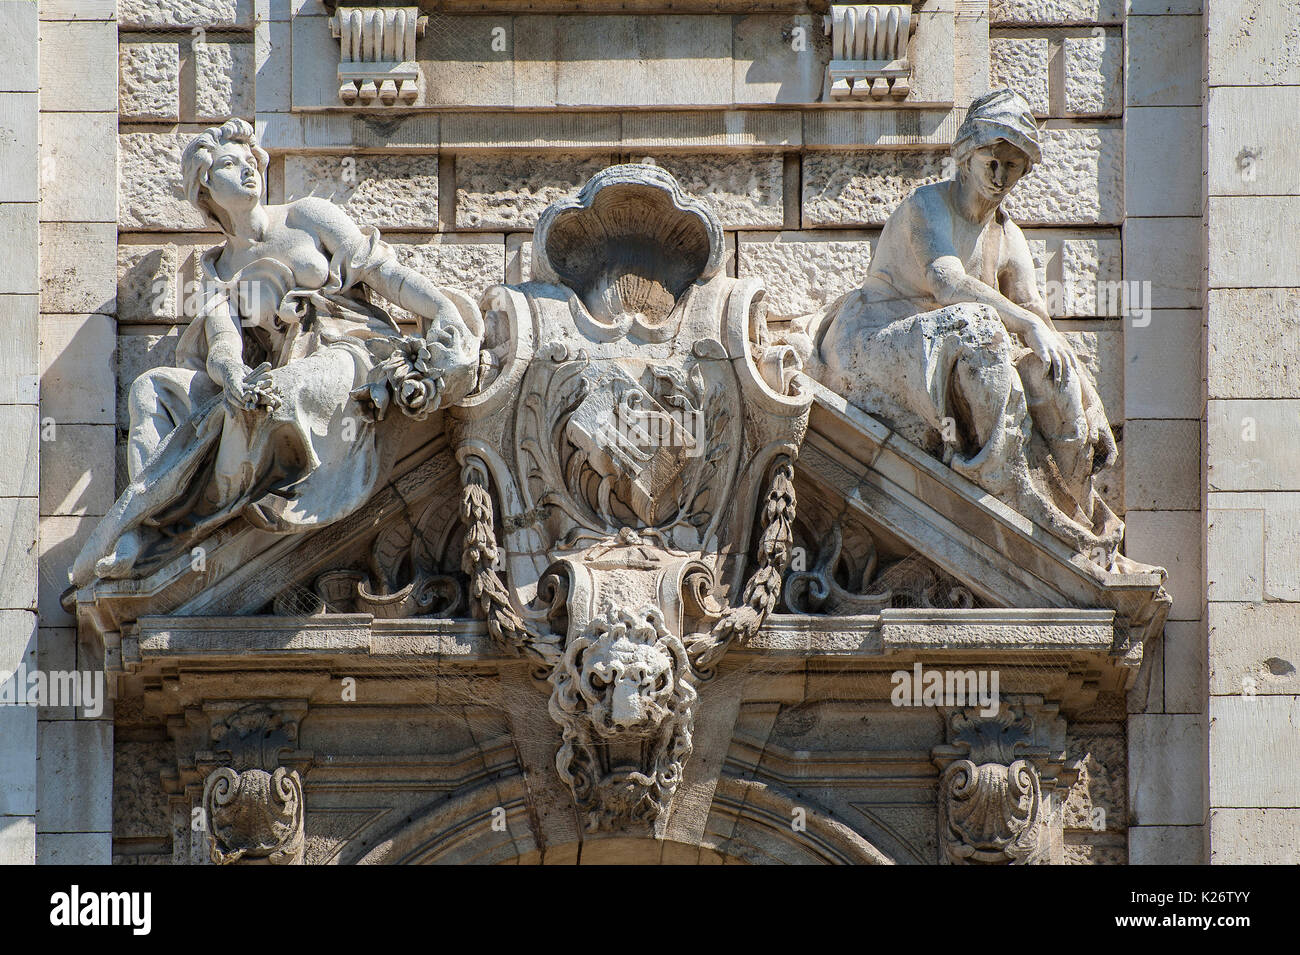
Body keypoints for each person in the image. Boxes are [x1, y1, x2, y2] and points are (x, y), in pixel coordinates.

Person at [70, 119, 480, 587]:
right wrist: (233, 378)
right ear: (204, 184)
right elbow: (223, 343)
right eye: (230, 163)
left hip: (346, 349)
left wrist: (445, 309)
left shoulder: (307, 215)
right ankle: (143, 528)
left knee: (277, 396)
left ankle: (175, 527)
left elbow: (384, 272)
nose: (247, 170)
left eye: (251, 161)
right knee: (151, 390)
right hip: (273, 368)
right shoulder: (217, 269)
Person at [791, 89, 1123, 562]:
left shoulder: (1008, 236)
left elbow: (1036, 317)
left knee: (1049, 368)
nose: (998, 173)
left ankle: (1078, 511)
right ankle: (1000, 483)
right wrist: (1027, 323)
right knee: (979, 327)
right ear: (966, 155)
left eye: (1012, 164)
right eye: (991, 157)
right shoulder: (926, 206)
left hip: (940, 346)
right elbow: (948, 284)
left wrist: (1086, 400)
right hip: (871, 343)